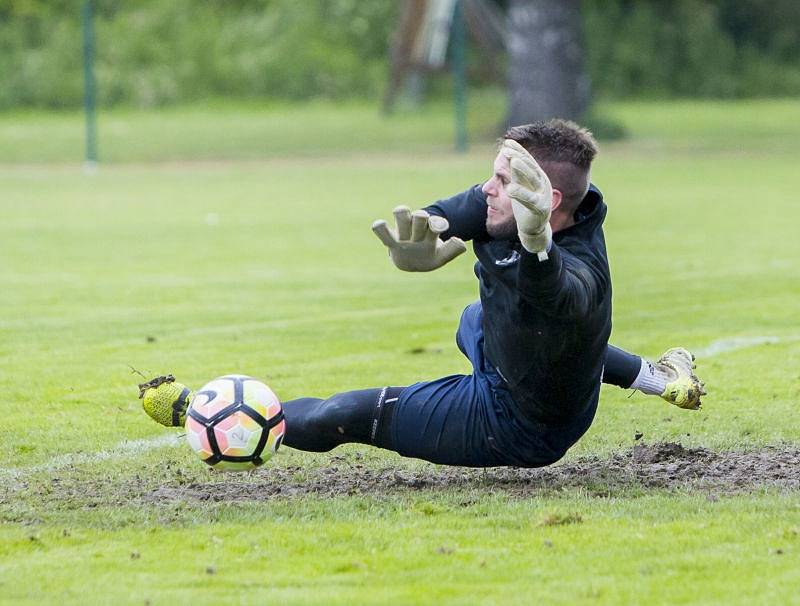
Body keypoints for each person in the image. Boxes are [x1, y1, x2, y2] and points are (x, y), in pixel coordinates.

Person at [140, 119, 705, 468]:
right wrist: (425, 235)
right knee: (477, 317)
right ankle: (657, 376)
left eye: (503, 181)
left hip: (519, 422)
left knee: (347, 414)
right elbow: (445, 214)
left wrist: (536, 246)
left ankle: (206, 415)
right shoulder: (511, 205)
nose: (487, 188)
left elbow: (558, 294)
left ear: (547, 200)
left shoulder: (579, 273)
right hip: (525, 354)